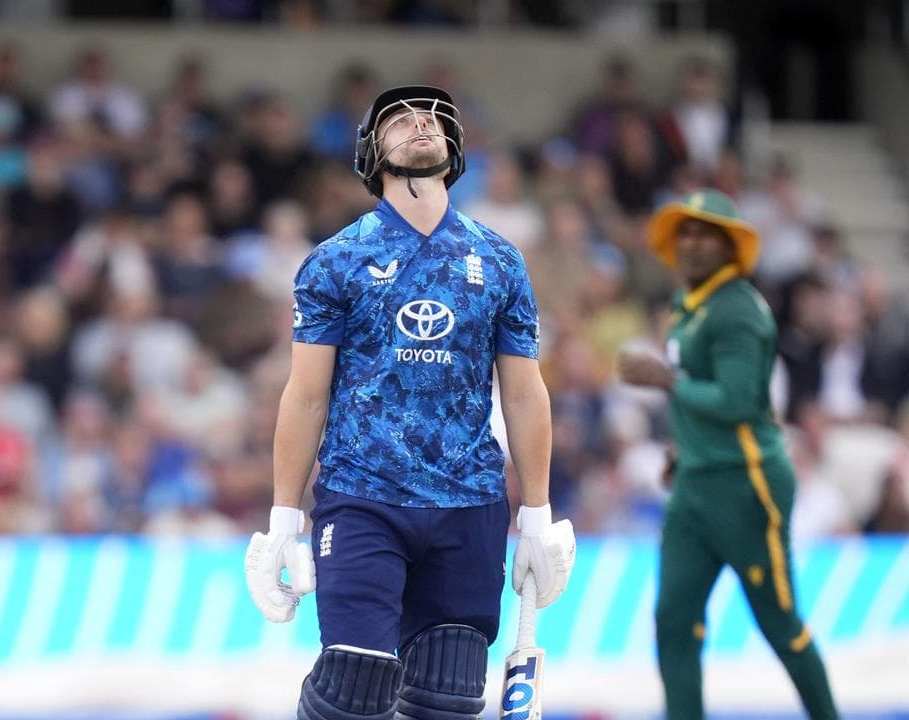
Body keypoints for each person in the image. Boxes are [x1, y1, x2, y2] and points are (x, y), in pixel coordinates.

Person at [243, 85, 575, 719]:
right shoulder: (335, 261)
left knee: (446, 701)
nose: (421, 124)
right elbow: (306, 394)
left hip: (470, 503)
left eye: (433, 119)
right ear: (371, 153)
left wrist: (537, 513)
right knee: (352, 692)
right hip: (362, 498)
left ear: (455, 149)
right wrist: (284, 516)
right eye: (400, 120)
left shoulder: (500, 261)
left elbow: (524, 392)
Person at [616, 189, 838, 719]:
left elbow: (737, 401)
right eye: (685, 233)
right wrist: (683, 447)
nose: (691, 244)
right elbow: (703, 390)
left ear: (730, 246)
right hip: (695, 485)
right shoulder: (688, 303)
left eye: (705, 234)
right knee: (674, 620)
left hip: (746, 484)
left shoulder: (738, 310)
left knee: (780, 623)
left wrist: (664, 380)